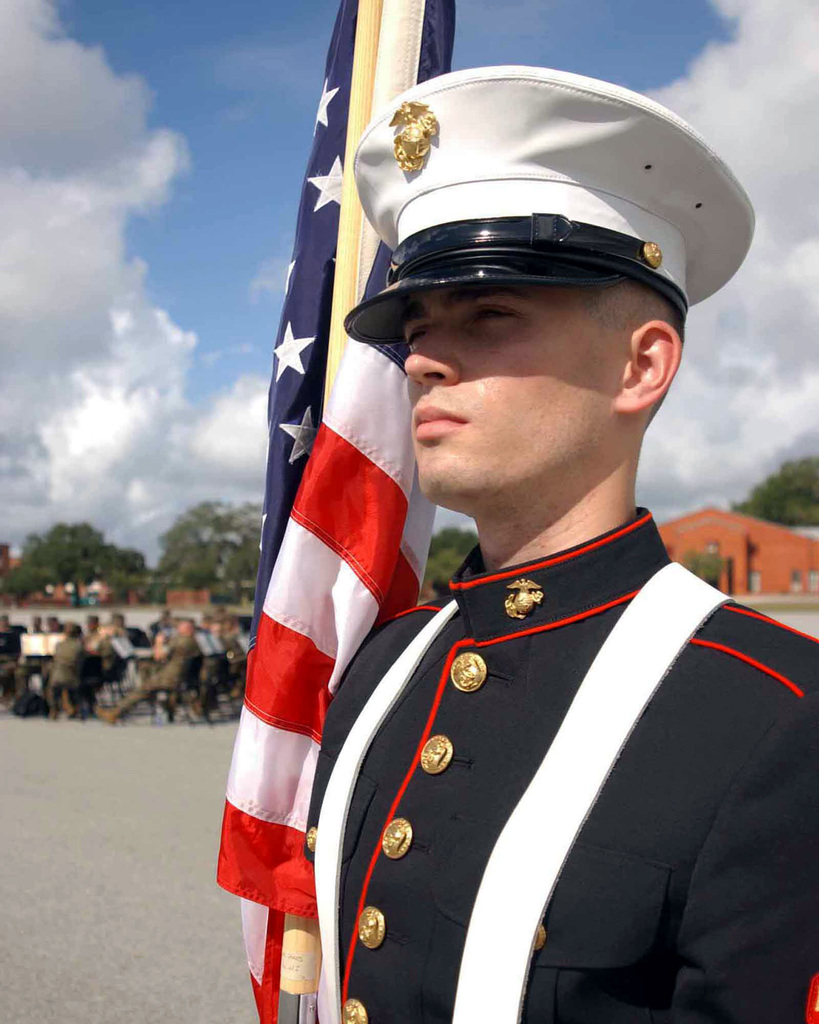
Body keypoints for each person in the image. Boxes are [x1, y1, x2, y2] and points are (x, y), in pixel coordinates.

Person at [302, 68, 818, 1024]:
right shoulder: (381, 666)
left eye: (489, 315)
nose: (421, 358)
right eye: (416, 327)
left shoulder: (777, 715)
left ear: (641, 364)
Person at [96, 618, 200, 724]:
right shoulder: (192, 641)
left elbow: (158, 656)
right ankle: (172, 706)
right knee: (146, 680)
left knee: (141, 690)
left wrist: (158, 642)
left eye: (180, 626)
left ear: (187, 628)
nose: (177, 628)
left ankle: (114, 713)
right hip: (177, 677)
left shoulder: (182, 641)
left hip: (169, 678)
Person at [48, 622, 84, 719]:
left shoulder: (59, 645)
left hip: (56, 676)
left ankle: (54, 709)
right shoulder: (79, 646)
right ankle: (75, 707)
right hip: (72, 676)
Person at [0, 614, 22, 704]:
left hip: (10, 661)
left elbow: (18, 653)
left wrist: (14, 662)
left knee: (13, 673)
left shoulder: (13, 635)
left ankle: (9, 696)